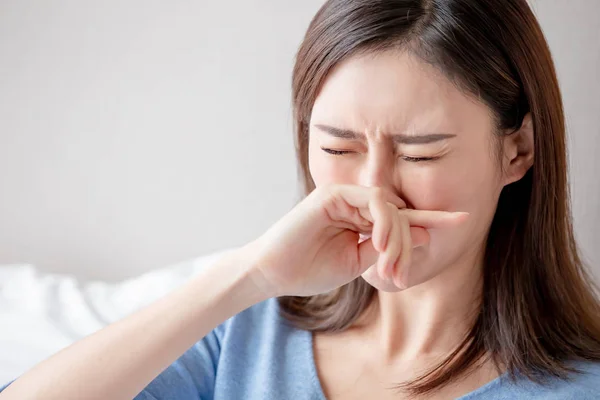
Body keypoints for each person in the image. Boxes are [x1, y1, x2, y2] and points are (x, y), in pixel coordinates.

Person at [2, 0, 600, 399]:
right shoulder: (245, 336)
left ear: (517, 151)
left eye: (420, 153)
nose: (374, 190)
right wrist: (252, 273)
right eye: (339, 147)